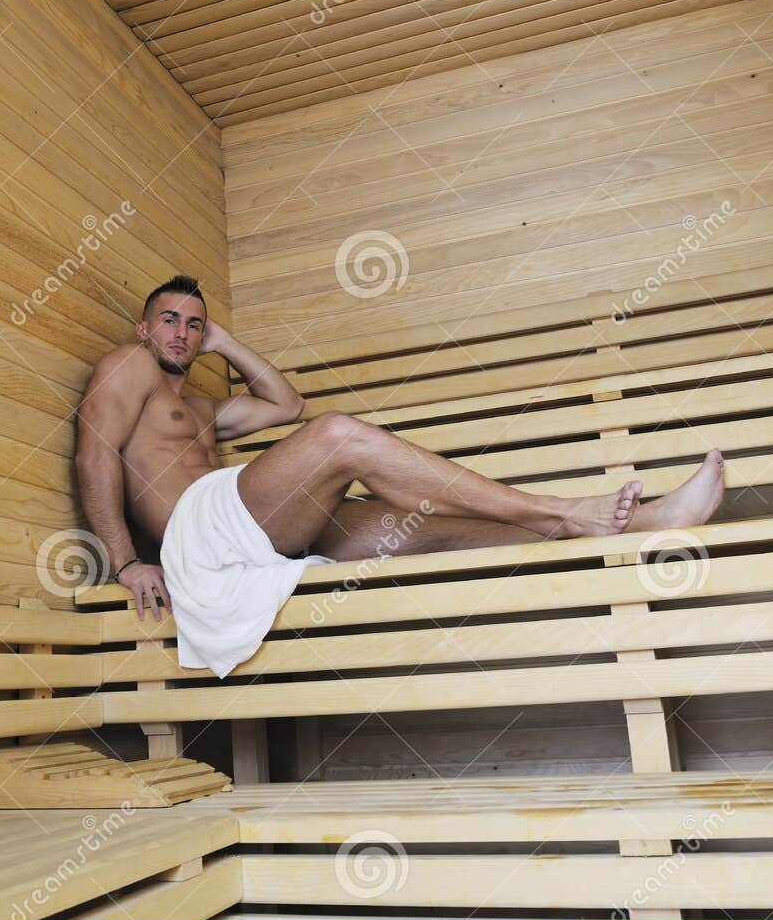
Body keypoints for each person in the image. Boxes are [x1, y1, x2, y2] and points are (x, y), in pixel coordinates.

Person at [73, 275, 724, 676]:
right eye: (170, 319)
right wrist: (127, 561)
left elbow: (284, 404)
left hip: (249, 531)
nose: (183, 333)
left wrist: (226, 341)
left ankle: (644, 522)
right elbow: (93, 454)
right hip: (200, 532)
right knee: (338, 437)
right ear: (142, 326)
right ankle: (564, 510)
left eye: (194, 323)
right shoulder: (127, 365)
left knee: (428, 531)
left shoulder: (202, 408)